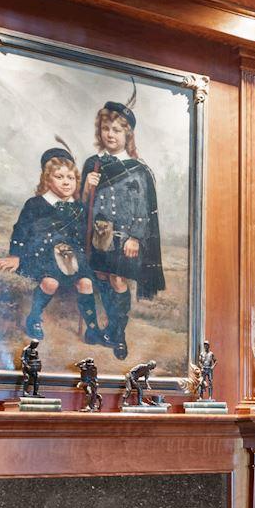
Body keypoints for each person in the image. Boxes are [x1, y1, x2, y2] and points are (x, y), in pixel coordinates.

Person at [0, 146, 104, 345]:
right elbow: (21, 230)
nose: (66, 182)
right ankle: (34, 318)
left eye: (70, 178)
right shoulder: (35, 204)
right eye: (59, 177)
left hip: (72, 257)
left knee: (86, 283)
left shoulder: (79, 208)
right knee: (50, 282)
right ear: (47, 179)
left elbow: (83, 236)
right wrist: (15, 255)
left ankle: (93, 328)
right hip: (41, 255)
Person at [83, 100, 167, 361]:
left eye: (117, 130)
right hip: (98, 236)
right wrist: (86, 186)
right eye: (106, 128)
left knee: (118, 280)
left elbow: (143, 208)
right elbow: (83, 205)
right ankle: (106, 329)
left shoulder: (138, 170)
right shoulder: (92, 164)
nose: (110, 134)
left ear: (127, 134)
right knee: (101, 276)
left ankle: (118, 333)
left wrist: (135, 237)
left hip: (125, 240)